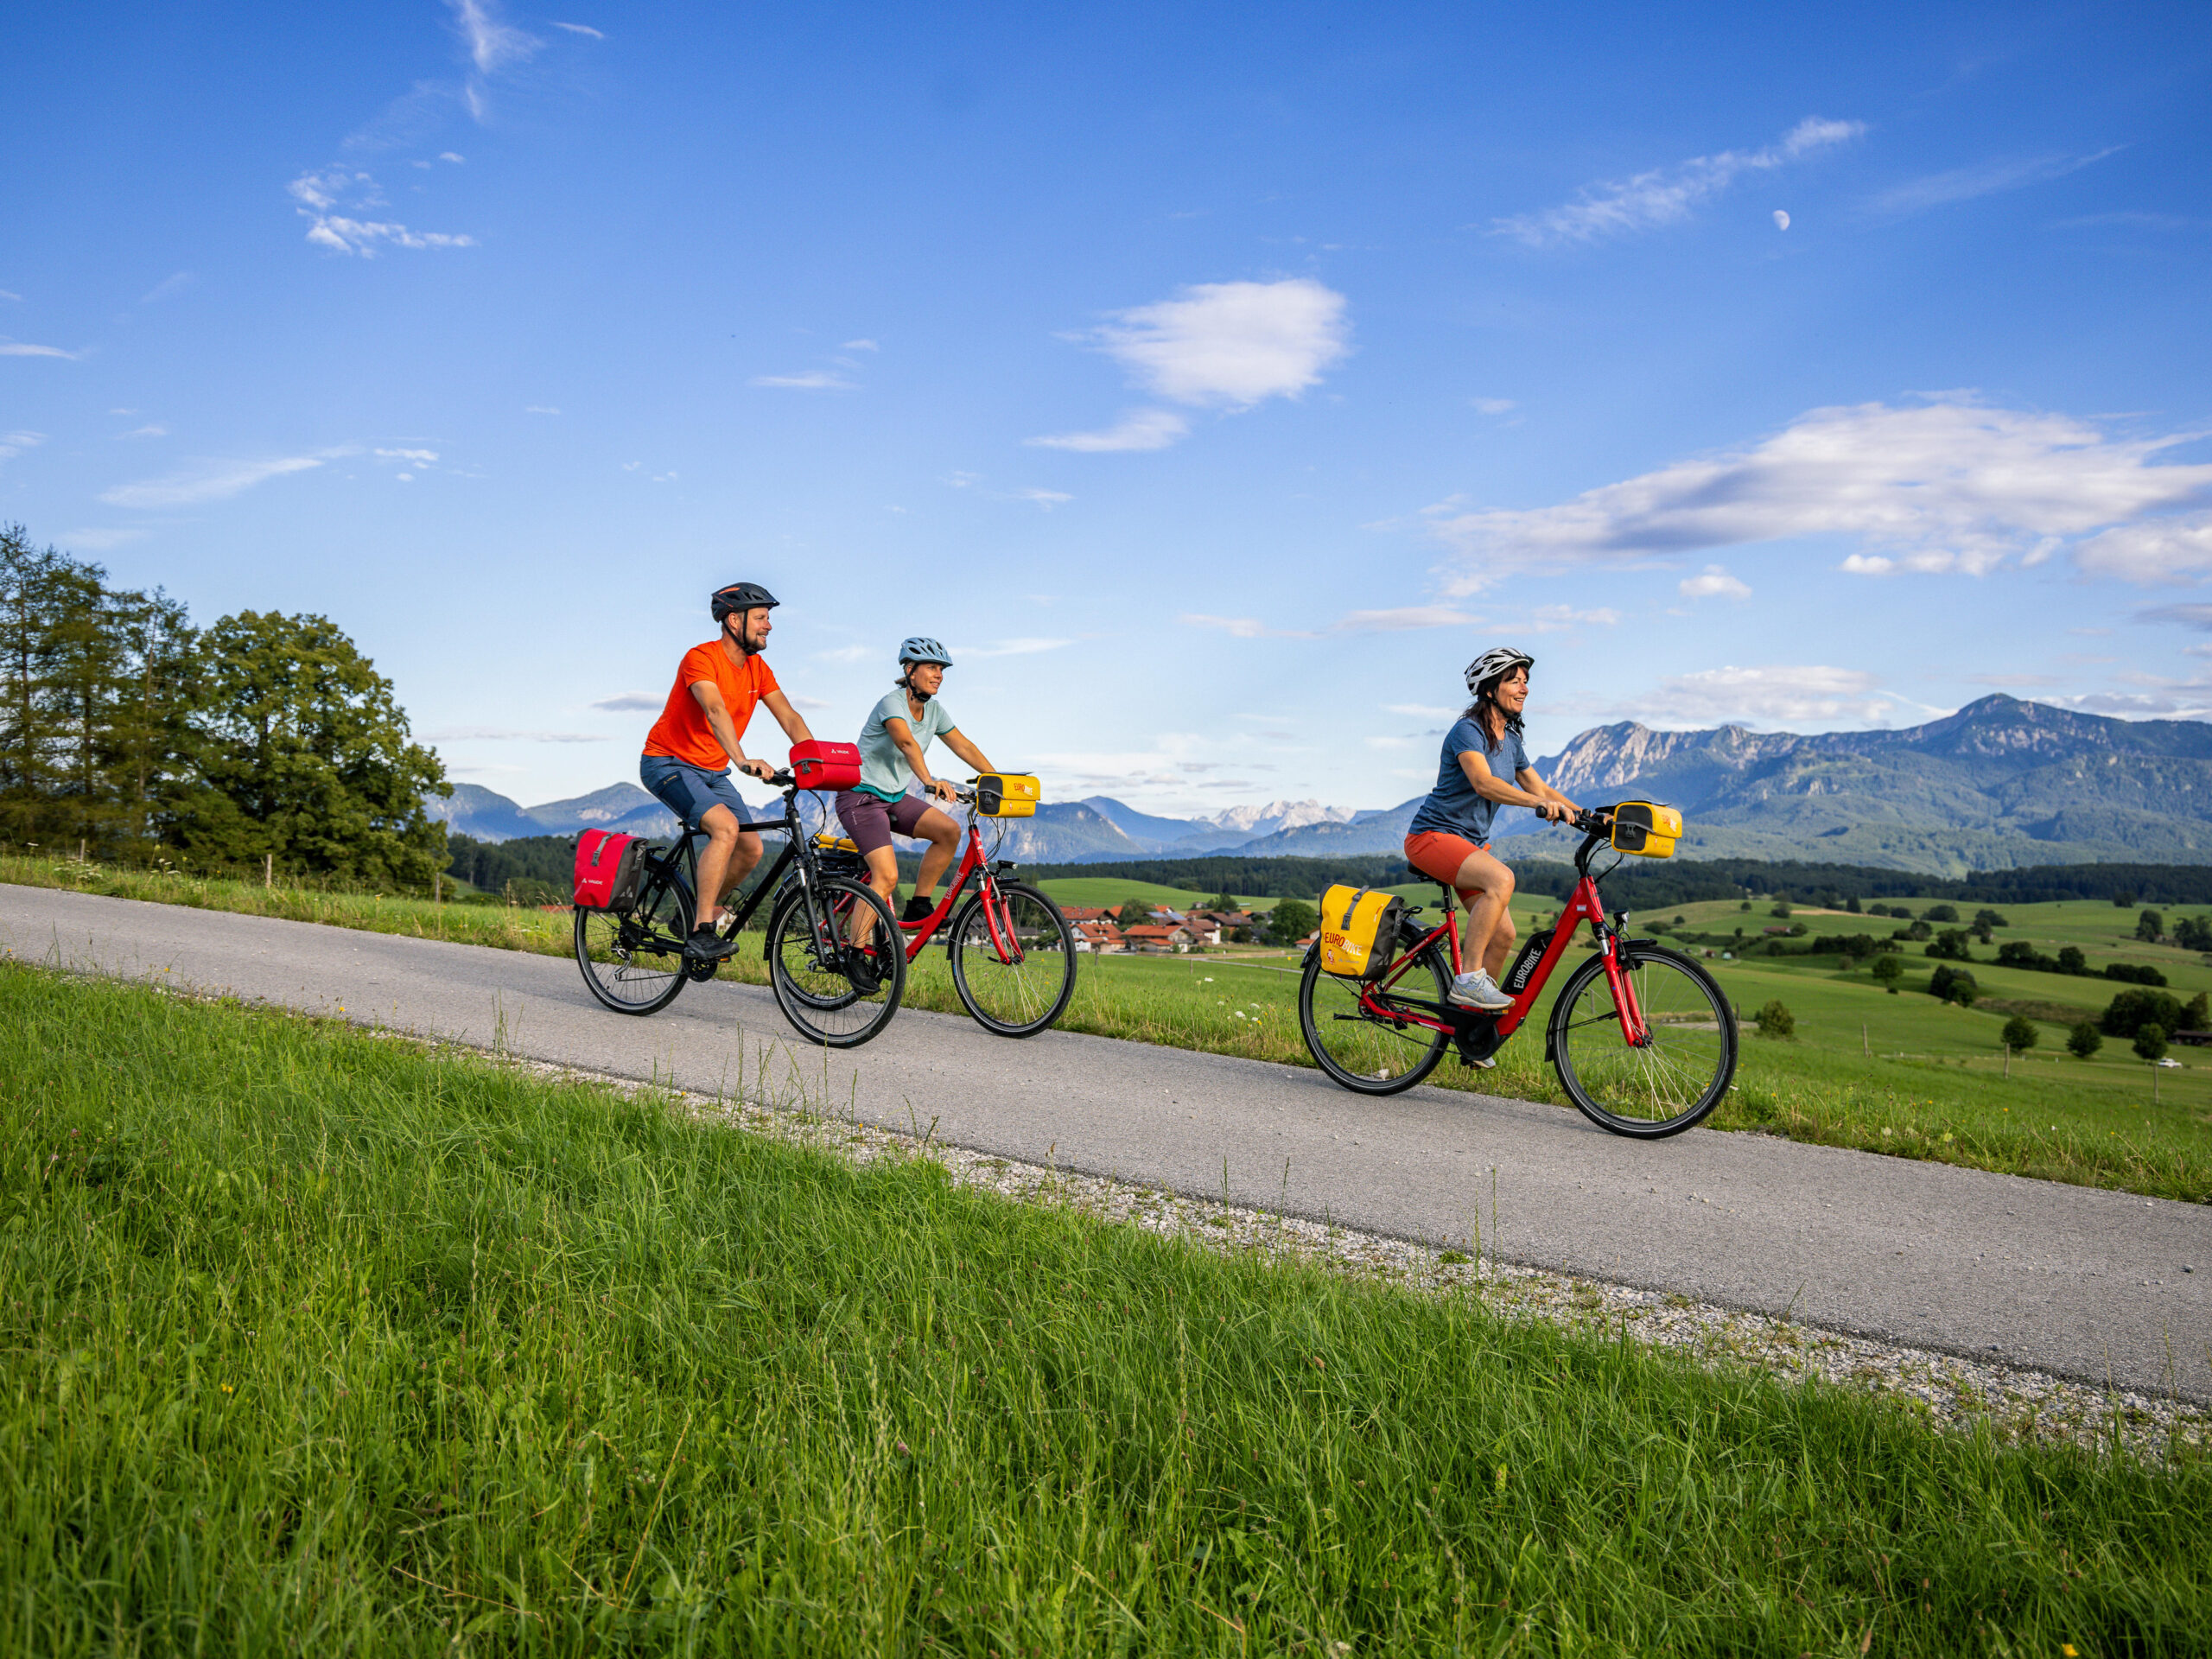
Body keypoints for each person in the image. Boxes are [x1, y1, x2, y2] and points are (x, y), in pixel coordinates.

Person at [639, 582, 815, 962]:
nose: (769, 626)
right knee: (725, 828)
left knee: (751, 848)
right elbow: (715, 710)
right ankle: (702, 931)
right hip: (667, 762)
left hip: (711, 772)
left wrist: (817, 763)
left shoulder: (757, 668)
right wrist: (742, 758)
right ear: (734, 620)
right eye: (763, 618)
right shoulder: (701, 658)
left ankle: (686, 915)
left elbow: (789, 716)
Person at [1403, 646, 1581, 1010]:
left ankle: (1472, 1029)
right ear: (1489, 689)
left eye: (1525, 681)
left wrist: (1590, 816)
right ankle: (1468, 980)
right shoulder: (1467, 732)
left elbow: (1543, 789)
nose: (1524, 688)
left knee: (1504, 936)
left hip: (1469, 847)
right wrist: (1536, 804)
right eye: (1514, 681)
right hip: (1431, 838)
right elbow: (1483, 782)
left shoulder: (1511, 742)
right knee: (1501, 879)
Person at [835, 638, 997, 940]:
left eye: (942, 669)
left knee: (948, 832)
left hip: (893, 798)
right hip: (860, 798)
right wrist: (929, 780)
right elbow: (906, 742)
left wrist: (996, 778)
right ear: (910, 670)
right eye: (932, 668)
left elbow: (964, 745)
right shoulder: (891, 703)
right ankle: (854, 951)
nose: (939, 675)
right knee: (887, 877)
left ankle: (919, 907)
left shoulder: (934, 711)